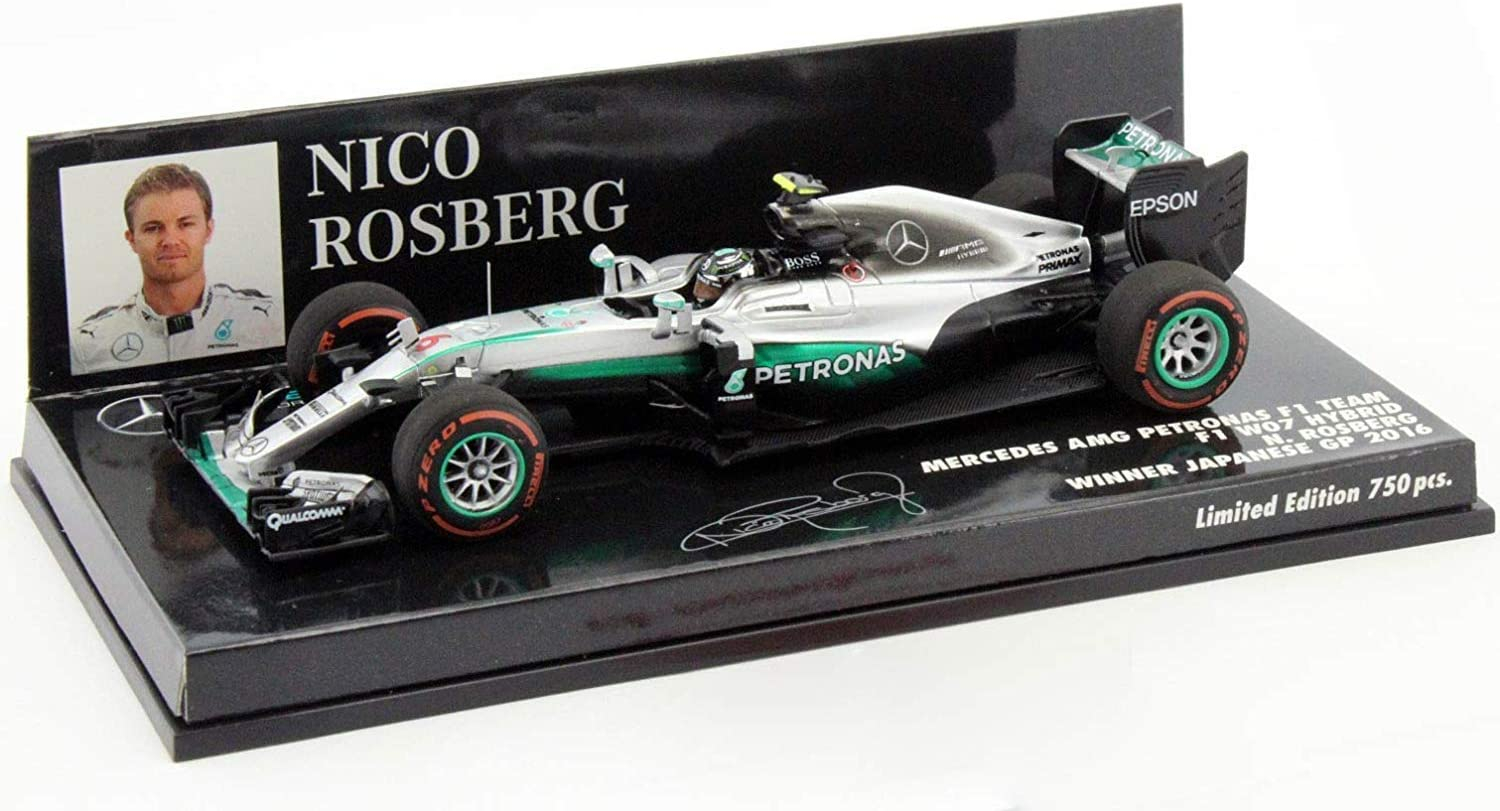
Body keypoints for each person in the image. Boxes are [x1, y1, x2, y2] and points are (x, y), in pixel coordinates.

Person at [72, 163, 280, 374]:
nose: (170, 240)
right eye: (153, 228)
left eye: (185, 224)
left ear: (208, 231)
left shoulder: (267, 320)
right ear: (132, 239)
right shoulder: (87, 346)